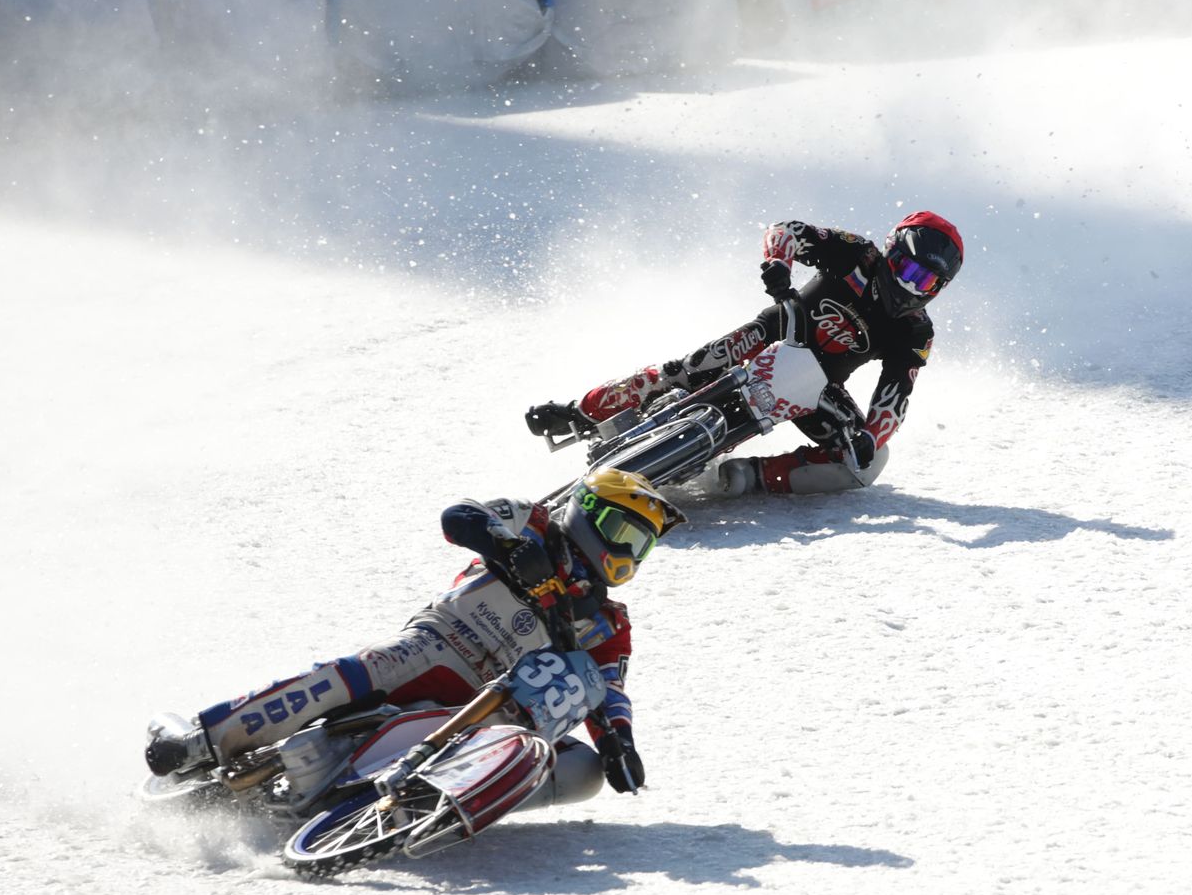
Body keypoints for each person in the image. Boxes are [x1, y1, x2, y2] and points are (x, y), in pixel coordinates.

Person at [142, 469, 683, 807]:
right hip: (437, 644)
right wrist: (506, 545)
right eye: (624, 534)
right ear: (587, 513)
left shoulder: (609, 622)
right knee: (356, 672)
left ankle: (427, 807)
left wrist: (619, 743)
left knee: (580, 771)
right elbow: (459, 517)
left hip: (494, 700)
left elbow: (607, 687)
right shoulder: (534, 524)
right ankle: (202, 738)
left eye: (641, 548)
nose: (628, 555)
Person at [526, 212, 964, 498]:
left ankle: (751, 476)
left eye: (925, 283)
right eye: (907, 270)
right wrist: (778, 265)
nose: (910, 287)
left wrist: (873, 437)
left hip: (816, 390)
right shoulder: (855, 252)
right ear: (890, 252)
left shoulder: (915, 332)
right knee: (683, 371)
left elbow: (895, 398)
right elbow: (787, 230)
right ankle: (582, 413)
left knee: (866, 466)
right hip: (769, 335)